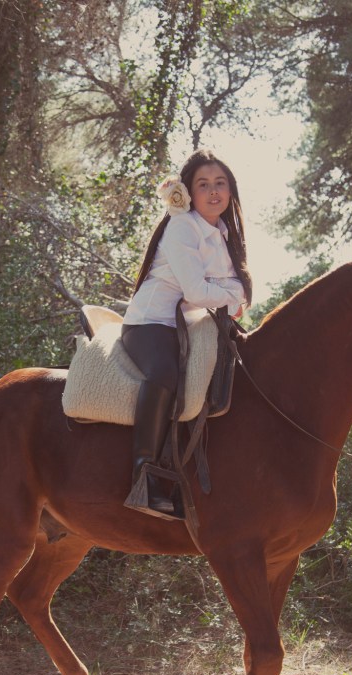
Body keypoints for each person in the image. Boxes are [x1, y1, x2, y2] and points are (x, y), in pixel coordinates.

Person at [122, 148, 253, 518]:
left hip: (191, 323)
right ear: (189, 193)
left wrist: (232, 296)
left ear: (231, 191)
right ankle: (144, 474)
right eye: (204, 184)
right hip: (151, 322)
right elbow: (199, 293)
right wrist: (233, 296)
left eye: (221, 184)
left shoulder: (224, 233)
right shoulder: (183, 227)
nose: (214, 192)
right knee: (164, 374)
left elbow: (234, 292)